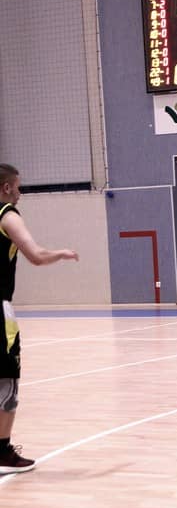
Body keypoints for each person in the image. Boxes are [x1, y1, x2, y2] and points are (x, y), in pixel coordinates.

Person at [0, 164, 79, 474]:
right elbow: (35, 255)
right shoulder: (8, 215)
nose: (20, 192)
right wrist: (61, 253)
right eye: (18, 186)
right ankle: (2, 453)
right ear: (6, 187)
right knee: (7, 382)